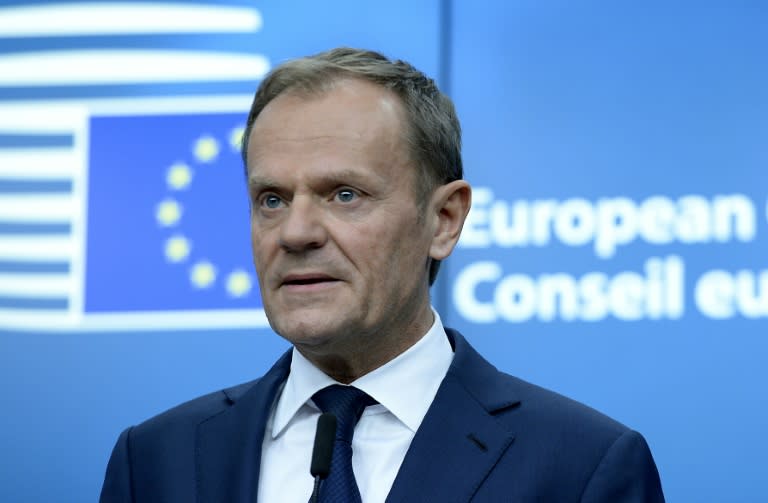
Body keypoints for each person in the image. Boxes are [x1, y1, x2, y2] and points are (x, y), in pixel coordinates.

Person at [100, 47, 664, 502]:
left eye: (344, 194)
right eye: (271, 199)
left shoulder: (581, 467)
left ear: (443, 221)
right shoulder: (154, 459)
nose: (295, 233)